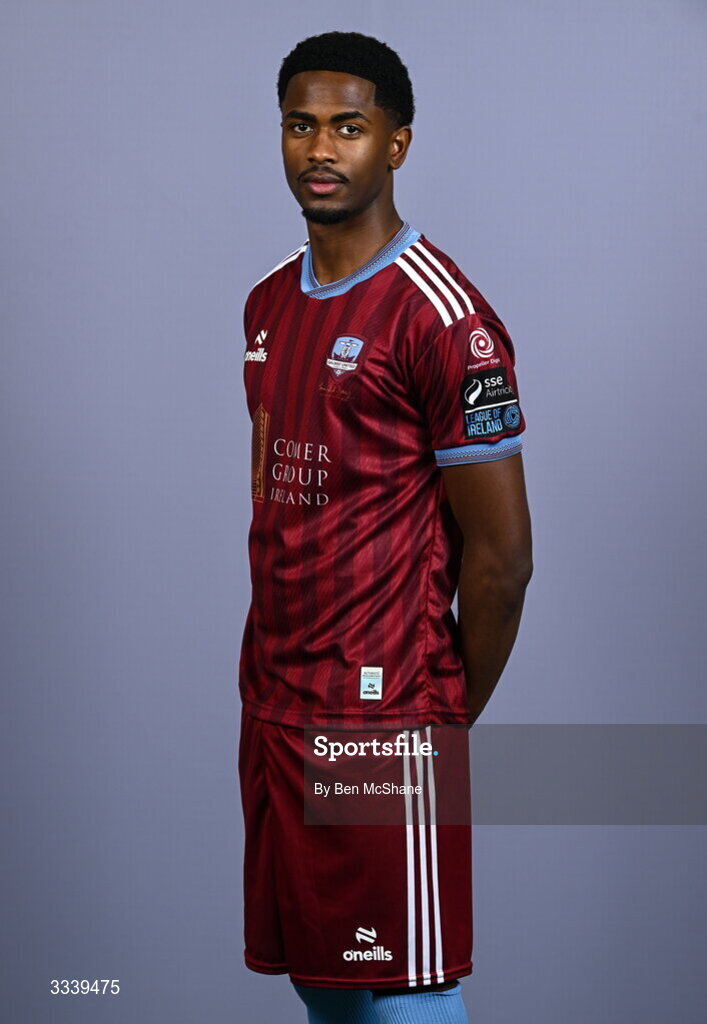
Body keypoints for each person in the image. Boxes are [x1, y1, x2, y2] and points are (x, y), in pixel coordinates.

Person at [237, 30, 533, 1024]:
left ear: (395, 145)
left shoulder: (445, 321)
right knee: (327, 985)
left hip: (381, 720)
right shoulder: (268, 304)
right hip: (276, 706)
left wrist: (432, 723)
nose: (321, 149)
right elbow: (276, 500)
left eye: (349, 128)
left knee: (403, 989)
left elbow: (500, 563)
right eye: (301, 125)